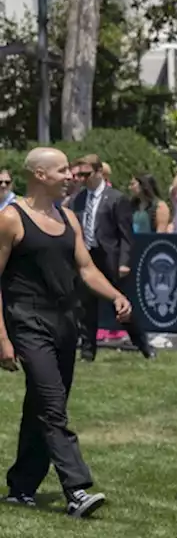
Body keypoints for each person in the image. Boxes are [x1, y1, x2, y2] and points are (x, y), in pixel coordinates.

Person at [0, 147, 133, 518]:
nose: (70, 176)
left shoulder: (68, 217)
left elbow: (86, 269)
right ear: (40, 175)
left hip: (64, 322)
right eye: (62, 171)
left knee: (41, 405)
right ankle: (75, 489)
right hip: (26, 321)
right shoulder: (11, 219)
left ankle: (21, 487)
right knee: (52, 405)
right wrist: (2, 338)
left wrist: (116, 295)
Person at [70, 154, 153, 361]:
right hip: (86, 257)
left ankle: (142, 344)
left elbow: (126, 235)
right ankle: (87, 352)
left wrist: (124, 262)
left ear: (99, 172)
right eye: (79, 175)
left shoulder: (116, 198)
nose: (82, 179)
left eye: (86, 174)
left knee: (121, 306)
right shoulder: (78, 199)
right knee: (85, 307)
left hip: (109, 258)